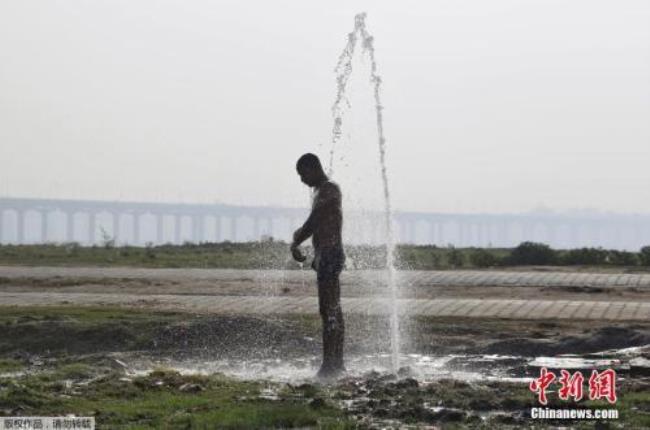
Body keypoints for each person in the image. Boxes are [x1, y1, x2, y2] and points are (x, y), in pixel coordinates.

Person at [291, 153, 346, 379]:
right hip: (325, 255)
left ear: (314, 168)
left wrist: (297, 238)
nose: (302, 180)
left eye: (303, 174)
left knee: (329, 311)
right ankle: (336, 364)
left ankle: (329, 366)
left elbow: (315, 220)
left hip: (331, 255)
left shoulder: (329, 189)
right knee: (332, 310)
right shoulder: (321, 191)